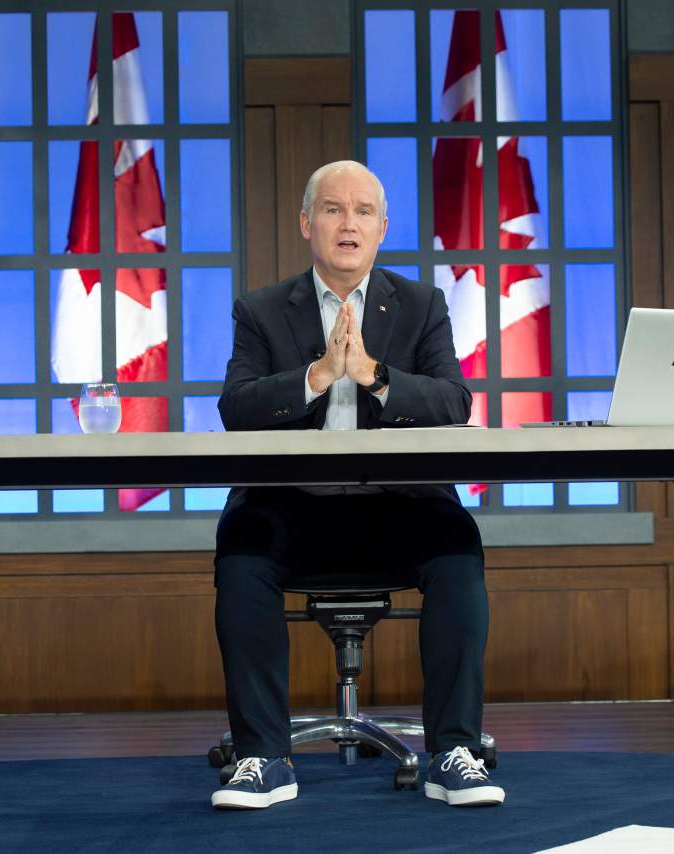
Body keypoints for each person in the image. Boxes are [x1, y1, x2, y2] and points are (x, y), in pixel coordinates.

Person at [211, 160, 502, 810]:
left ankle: (452, 754)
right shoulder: (260, 310)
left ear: (382, 228)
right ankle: (263, 758)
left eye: (363, 211)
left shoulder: (422, 305)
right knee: (241, 546)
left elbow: (454, 401)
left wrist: (374, 374)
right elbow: (236, 406)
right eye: (334, 209)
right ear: (307, 224)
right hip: (292, 510)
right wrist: (316, 377)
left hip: (398, 507)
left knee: (457, 544)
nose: (349, 224)